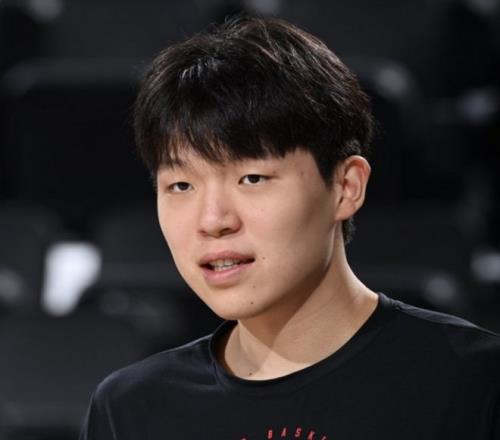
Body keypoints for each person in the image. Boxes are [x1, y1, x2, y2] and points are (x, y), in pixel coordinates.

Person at [80, 16, 500, 440]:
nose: (213, 221)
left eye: (252, 178)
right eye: (181, 185)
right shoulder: (129, 410)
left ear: (346, 186)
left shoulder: (472, 381)